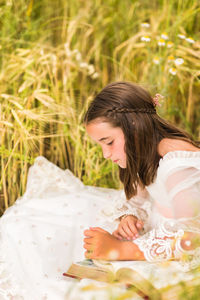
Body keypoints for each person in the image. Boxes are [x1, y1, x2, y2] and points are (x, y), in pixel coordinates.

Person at [0, 81, 199, 299]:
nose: (105, 154)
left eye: (109, 142)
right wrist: (129, 217)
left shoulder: (179, 168)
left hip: (183, 257)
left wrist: (120, 250)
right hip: (157, 235)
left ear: (133, 125)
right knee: (28, 225)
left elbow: (191, 238)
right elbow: (140, 200)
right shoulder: (148, 154)